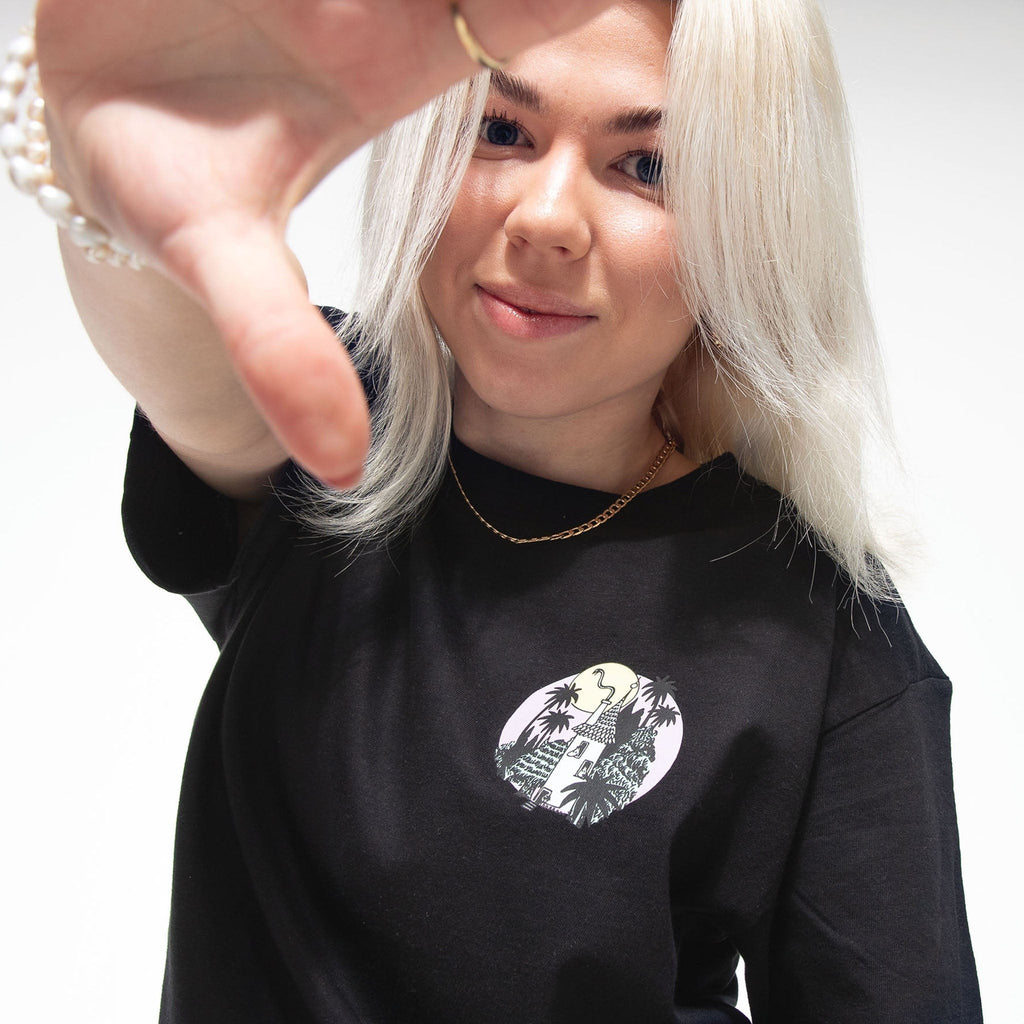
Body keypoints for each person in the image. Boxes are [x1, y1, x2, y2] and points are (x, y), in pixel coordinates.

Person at [4, 0, 982, 1020]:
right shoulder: (327, 414)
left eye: (647, 165)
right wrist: (112, 153)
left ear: (752, 224)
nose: (546, 217)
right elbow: (163, 305)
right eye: (502, 130)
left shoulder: (823, 631)